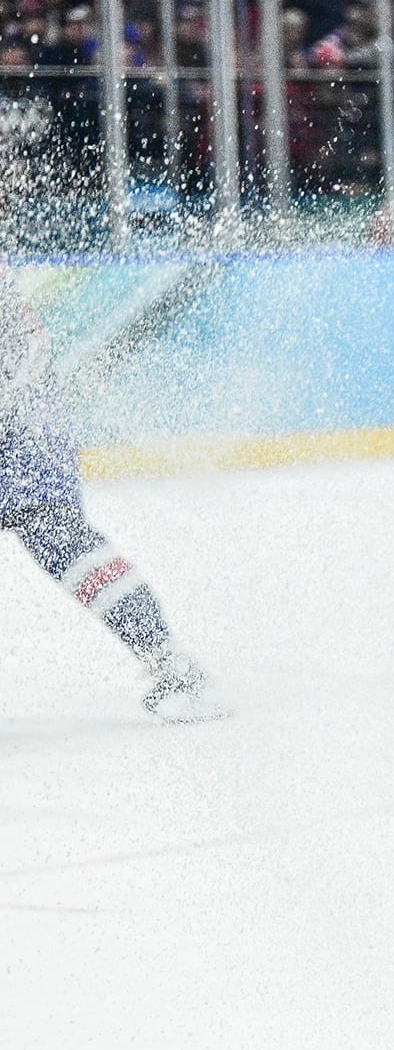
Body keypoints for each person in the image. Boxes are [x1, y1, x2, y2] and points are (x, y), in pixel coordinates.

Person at [0, 267, 220, 722]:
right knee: (56, 534)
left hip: (21, 418)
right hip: (26, 405)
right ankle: (169, 662)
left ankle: (170, 663)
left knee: (56, 533)